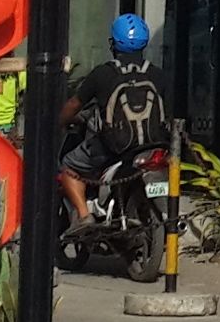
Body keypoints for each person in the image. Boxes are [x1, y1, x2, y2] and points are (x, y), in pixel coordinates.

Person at [61, 14, 175, 232]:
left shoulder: (103, 73)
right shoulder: (158, 74)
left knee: (68, 167)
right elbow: (170, 114)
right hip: (153, 148)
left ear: (114, 43)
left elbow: (75, 105)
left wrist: (59, 122)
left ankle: (84, 217)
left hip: (114, 149)